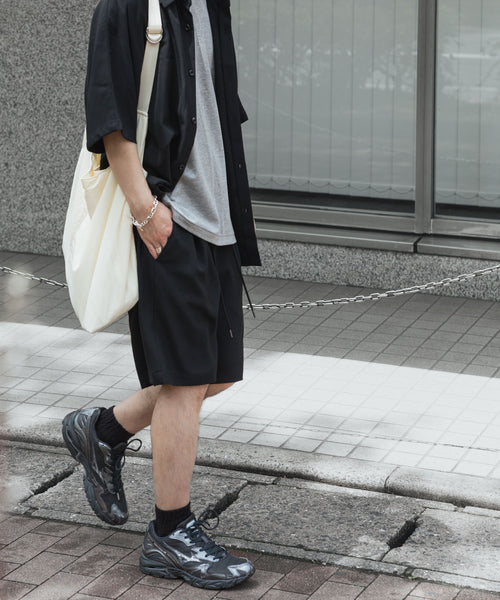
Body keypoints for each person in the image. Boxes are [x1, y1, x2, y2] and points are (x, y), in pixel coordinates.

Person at [61, 0, 260, 590]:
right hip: (166, 222)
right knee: (185, 381)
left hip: (218, 222)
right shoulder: (126, 6)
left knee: (216, 374)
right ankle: (171, 533)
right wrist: (146, 211)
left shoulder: (210, 6)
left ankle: (103, 431)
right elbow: (110, 118)